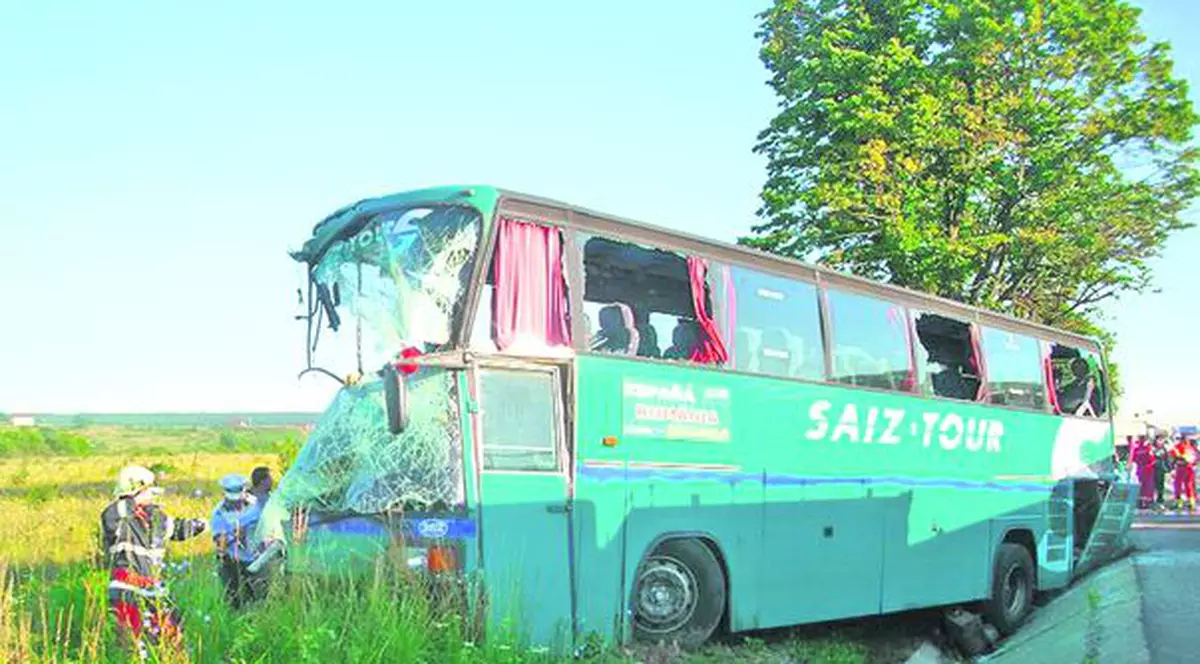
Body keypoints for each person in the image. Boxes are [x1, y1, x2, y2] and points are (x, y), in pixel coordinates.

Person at [101, 465, 206, 660]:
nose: (152, 495)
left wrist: (202, 524)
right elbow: (116, 512)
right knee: (131, 647)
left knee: (175, 639)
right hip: (126, 587)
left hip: (153, 589)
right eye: (148, 489)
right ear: (136, 489)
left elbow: (179, 529)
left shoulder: (156, 517)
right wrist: (134, 498)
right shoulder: (116, 514)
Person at [211, 473, 267, 609]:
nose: (236, 503)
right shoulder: (219, 513)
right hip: (233, 560)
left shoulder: (257, 504)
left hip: (258, 558)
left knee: (261, 596)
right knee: (235, 597)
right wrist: (233, 536)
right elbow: (220, 541)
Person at [1171, 437, 1198, 512]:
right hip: (1190, 468)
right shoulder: (1191, 448)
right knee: (1188, 486)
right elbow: (1196, 458)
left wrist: (1173, 465)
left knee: (1177, 485)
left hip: (1181, 468)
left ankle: (1178, 502)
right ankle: (1191, 503)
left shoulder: (1178, 446)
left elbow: (1173, 455)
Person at [1133, 436, 1156, 509]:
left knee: (1143, 487)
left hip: (1142, 469)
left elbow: (1133, 459)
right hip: (1146, 469)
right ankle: (1145, 503)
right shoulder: (1148, 448)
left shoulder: (1136, 449)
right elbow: (1152, 459)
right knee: (1147, 487)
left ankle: (1142, 502)